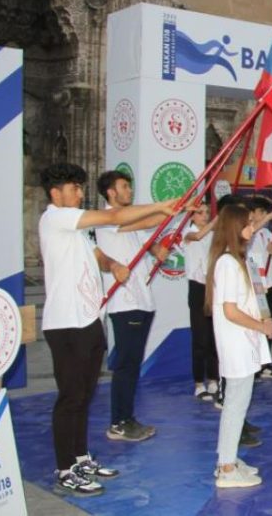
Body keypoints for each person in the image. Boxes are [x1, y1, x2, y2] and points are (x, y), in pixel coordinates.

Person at [40, 164, 176, 496]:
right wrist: (160, 207)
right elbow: (114, 219)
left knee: (85, 396)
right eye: (73, 187)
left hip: (90, 319)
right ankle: (65, 468)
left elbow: (98, 253)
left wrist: (113, 265)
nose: (79, 193)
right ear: (55, 193)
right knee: (71, 397)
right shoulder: (55, 217)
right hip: (65, 323)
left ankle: (81, 456)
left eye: (78, 187)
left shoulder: (76, 227)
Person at [95, 170, 171, 443]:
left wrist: (157, 250)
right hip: (124, 303)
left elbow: (145, 237)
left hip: (142, 299)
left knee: (132, 364)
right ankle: (118, 422)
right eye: (125, 187)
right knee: (126, 365)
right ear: (111, 192)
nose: (129, 191)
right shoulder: (106, 221)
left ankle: (127, 418)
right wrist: (168, 208)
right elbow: (145, 221)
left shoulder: (128, 222)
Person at [207, 203, 272, 489]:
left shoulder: (240, 261)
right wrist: (261, 326)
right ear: (235, 228)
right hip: (236, 342)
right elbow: (230, 310)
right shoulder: (226, 263)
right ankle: (225, 466)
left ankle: (228, 457)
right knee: (235, 405)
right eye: (248, 223)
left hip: (246, 341)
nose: (252, 227)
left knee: (239, 403)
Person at [183, 204, 219, 402]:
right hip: (197, 288)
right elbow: (197, 237)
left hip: (212, 287)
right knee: (200, 338)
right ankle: (198, 383)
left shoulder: (212, 235)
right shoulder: (188, 233)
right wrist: (214, 222)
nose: (205, 216)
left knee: (214, 336)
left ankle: (213, 378)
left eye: (207, 212)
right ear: (192, 216)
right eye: (200, 213)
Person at [246, 197, 272, 379]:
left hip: (270, 286)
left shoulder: (267, 234)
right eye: (261, 212)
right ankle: (254, 364)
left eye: (264, 212)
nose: (262, 216)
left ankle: (265, 363)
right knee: (256, 326)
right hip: (256, 288)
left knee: (270, 324)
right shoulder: (248, 233)